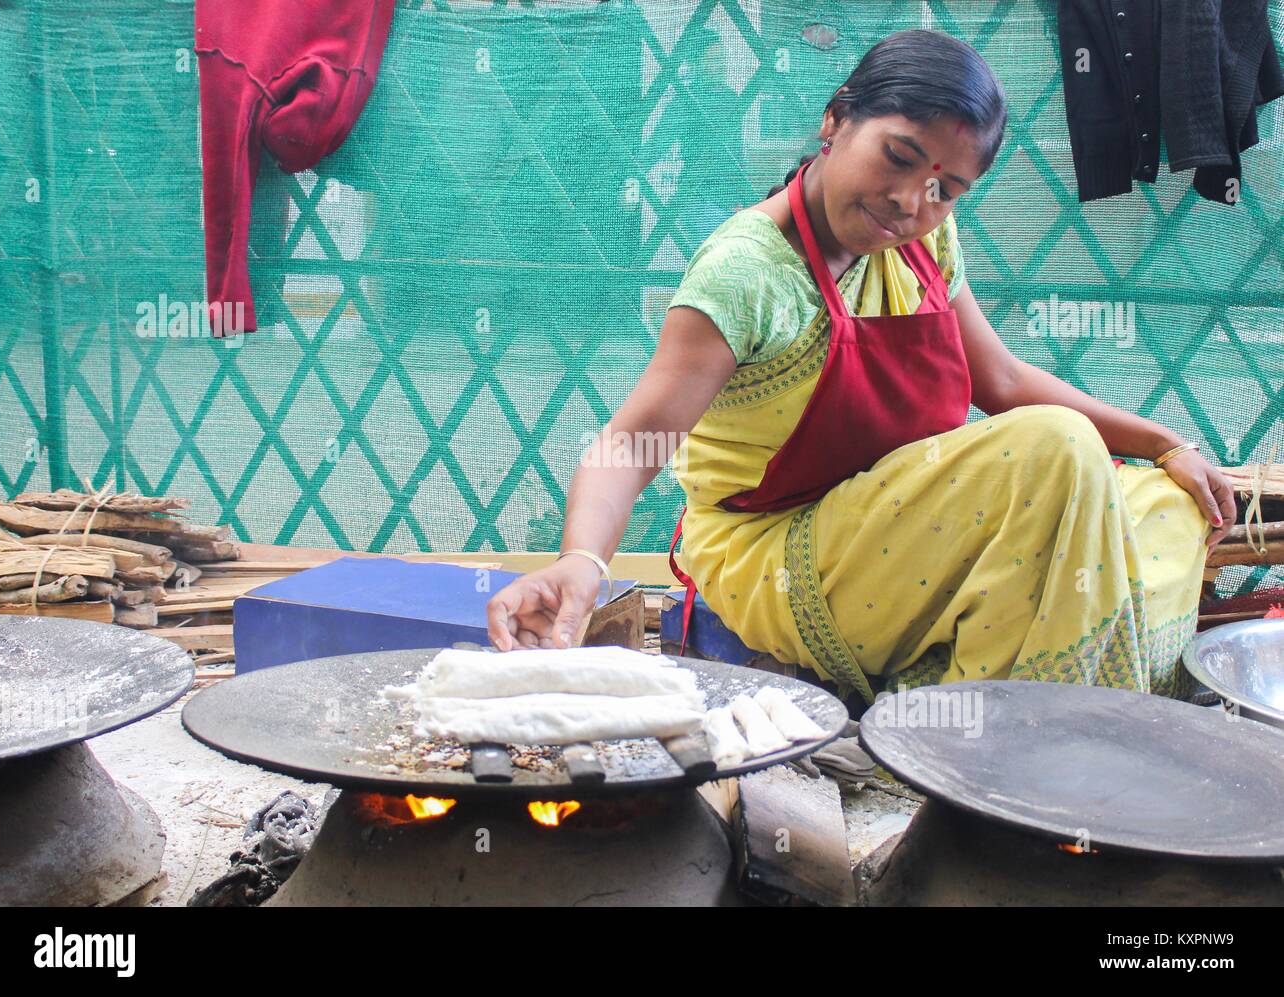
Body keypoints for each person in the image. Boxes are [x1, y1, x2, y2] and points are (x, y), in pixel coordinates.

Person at [485, 29, 1235, 708]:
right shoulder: (748, 272)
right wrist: (581, 560)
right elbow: (632, 445)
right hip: (775, 547)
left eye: (945, 189)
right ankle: (996, 734)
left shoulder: (925, 244)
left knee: (1164, 506)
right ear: (836, 119)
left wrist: (1166, 443)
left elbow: (999, 381)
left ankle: (989, 703)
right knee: (1061, 452)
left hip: (896, 527)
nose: (911, 200)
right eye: (899, 158)